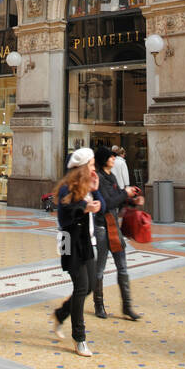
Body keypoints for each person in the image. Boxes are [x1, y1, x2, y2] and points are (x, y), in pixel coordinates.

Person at [49, 147, 103, 357]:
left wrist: (96, 191)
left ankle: (60, 314)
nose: (93, 168)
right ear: (81, 168)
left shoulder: (88, 186)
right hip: (70, 241)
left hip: (86, 242)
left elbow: (102, 206)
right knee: (81, 287)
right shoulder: (66, 188)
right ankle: (79, 339)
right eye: (90, 165)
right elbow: (66, 216)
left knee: (89, 286)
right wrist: (84, 208)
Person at [92, 147, 144, 320]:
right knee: (100, 267)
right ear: (103, 160)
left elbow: (117, 201)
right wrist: (124, 193)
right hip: (102, 226)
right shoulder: (98, 178)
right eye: (110, 157)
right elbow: (107, 202)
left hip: (114, 225)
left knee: (122, 266)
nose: (113, 159)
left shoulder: (112, 177)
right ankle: (98, 304)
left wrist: (131, 199)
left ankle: (127, 306)